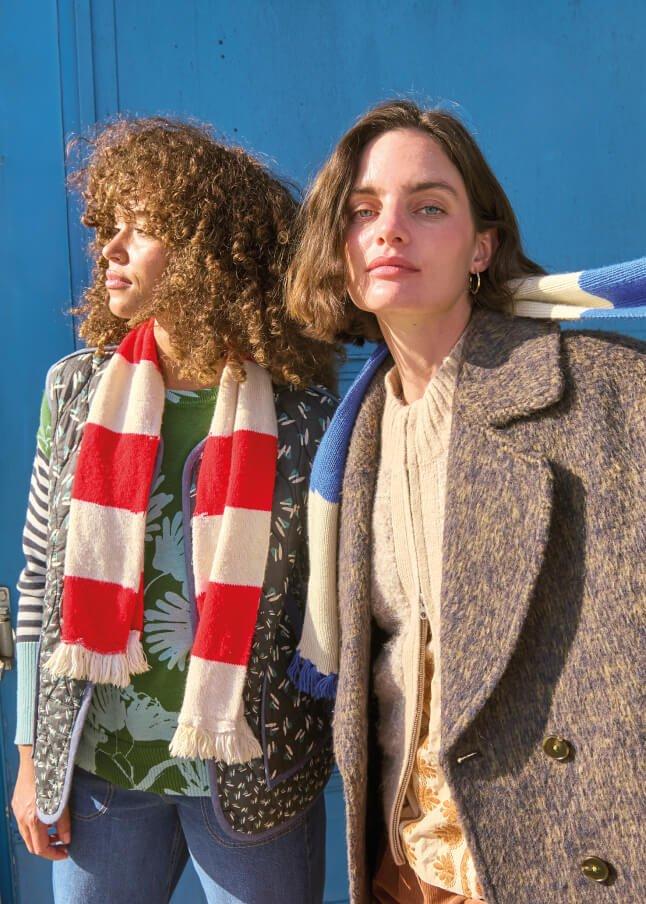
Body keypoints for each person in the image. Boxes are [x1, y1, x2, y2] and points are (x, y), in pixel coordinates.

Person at [285, 100, 645, 903]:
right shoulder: (352, 443)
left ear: (482, 246)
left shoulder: (607, 394)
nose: (390, 230)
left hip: (552, 855)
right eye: (362, 211)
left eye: (429, 206)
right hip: (405, 867)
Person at [12, 117, 338, 904]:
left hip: (252, 775)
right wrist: (30, 758)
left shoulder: (304, 418)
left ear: (208, 254)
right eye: (106, 227)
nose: (108, 248)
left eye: (140, 228)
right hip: (99, 773)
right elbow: (36, 584)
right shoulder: (75, 389)